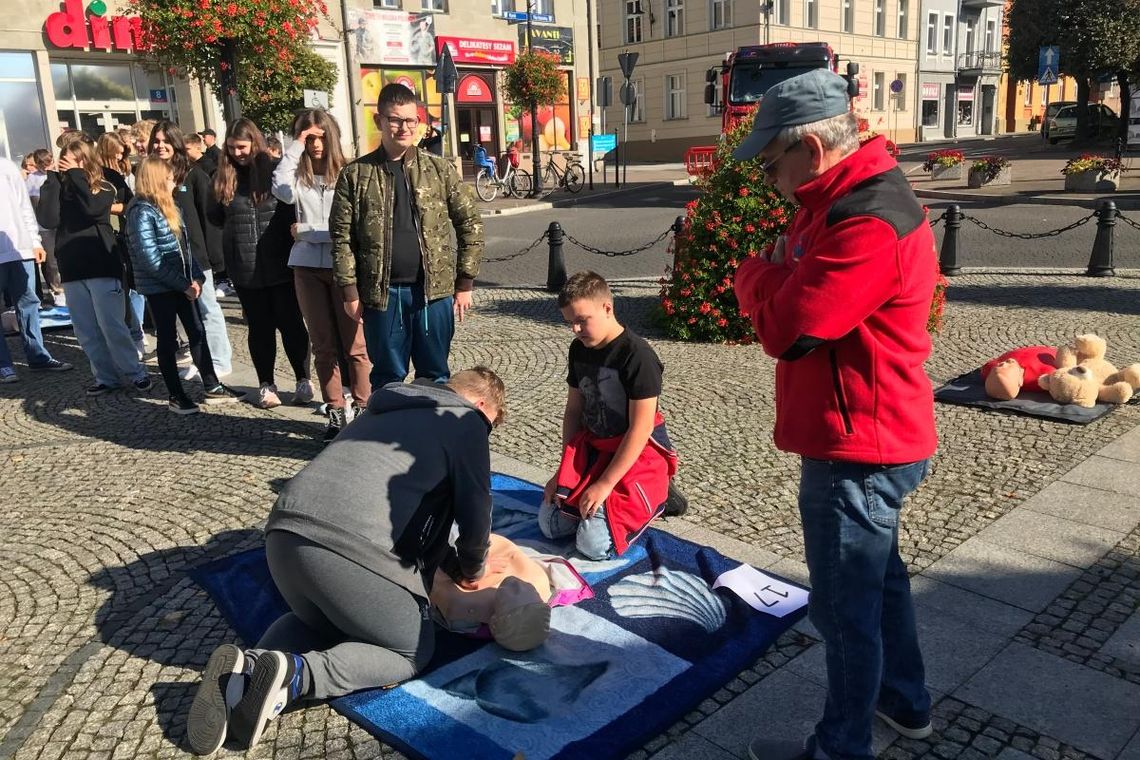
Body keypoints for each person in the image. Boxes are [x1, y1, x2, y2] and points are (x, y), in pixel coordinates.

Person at [731, 69, 938, 760]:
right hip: (867, 434)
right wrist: (784, 272)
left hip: (859, 448)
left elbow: (788, 330)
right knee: (879, 587)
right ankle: (905, 703)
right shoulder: (836, 197)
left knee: (845, 614)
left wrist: (752, 277)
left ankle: (839, 749)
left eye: (772, 161)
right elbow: (796, 285)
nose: (769, 178)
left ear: (812, 151)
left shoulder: (864, 217)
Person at [185, 367, 506, 755]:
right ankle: (296, 678)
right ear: (481, 404)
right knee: (409, 652)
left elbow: (418, 510)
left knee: (322, 622)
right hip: (351, 550)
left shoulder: (387, 406)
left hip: (283, 537)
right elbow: (476, 512)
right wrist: (472, 568)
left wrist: (448, 560)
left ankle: (247, 670)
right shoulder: (466, 421)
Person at [330, 83, 484, 393]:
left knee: (436, 376)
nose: (404, 127)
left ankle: (427, 440)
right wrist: (349, 291)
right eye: (396, 119)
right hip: (383, 295)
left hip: (434, 293)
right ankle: (388, 438)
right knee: (387, 379)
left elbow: (470, 223)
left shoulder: (439, 170)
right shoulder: (355, 175)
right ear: (379, 121)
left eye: (411, 120)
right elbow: (342, 237)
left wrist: (465, 282)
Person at [540, 271, 680, 560]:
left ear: (607, 308)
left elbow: (640, 429)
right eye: (570, 322)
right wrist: (563, 471)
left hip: (636, 451)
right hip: (595, 448)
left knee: (593, 546)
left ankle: (660, 493)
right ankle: (601, 500)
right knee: (550, 525)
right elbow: (574, 411)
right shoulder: (578, 349)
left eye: (582, 320)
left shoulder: (638, 355)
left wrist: (605, 485)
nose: (575, 329)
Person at [272, 110, 371, 442]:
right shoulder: (297, 178)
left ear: (332, 136)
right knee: (323, 345)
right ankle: (334, 410)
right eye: (307, 138)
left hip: (345, 268)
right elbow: (280, 189)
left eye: (320, 136)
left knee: (355, 345)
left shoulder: (349, 172)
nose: (315, 144)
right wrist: (293, 146)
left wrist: (307, 231)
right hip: (307, 268)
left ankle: (363, 407)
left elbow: (351, 229)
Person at [124, 158, 244, 413]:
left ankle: (212, 386)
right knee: (167, 340)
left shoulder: (170, 206)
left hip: (182, 284)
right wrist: (183, 284)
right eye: (169, 178)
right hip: (160, 289)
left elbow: (186, 248)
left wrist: (197, 277)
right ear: (157, 179)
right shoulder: (141, 211)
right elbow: (150, 259)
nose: (174, 182)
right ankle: (175, 395)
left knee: (198, 333)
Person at [36, 134, 151, 394]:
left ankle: (135, 372)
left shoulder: (105, 183)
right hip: (71, 264)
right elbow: (48, 218)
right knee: (86, 329)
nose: (63, 166)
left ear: (83, 161)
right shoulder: (60, 184)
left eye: (69, 162)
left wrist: (76, 174)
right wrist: (54, 179)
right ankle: (105, 377)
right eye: (62, 162)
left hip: (101, 261)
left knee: (112, 324)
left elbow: (93, 209)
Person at [211, 118, 312, 409]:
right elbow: (215, 216)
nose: (237, 153)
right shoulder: (223, 177)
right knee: (260, 328)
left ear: (254, 144)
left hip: (280, 263)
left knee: (292, 324)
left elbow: (292, 207)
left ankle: (303, 378)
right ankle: (266, 383)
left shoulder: (274, 172)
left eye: (241, 147)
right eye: (231, 148)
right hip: (245, 267)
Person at [148, 120, 233, 378]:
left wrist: (213, 259)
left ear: (176, 143)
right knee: (185, 313)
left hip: (195, 255)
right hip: (167, 256)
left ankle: (220, 361)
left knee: (207, 308)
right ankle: (200, 359)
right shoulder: (151, 175)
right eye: (157, 141)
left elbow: (208, 217)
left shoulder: (194, 174)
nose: (161, 146)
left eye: (165, 141)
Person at [0, 157, 73, 382]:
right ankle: (3, 364)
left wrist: (35, 240)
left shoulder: (6, 166)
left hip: (20, 248)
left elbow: (24, 206)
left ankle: (38, 355)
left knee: (28, 302)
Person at [95, 132, 146, 358]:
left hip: (121, 233)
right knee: (122, 290)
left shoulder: (114, 175)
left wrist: (102, 207)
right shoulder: (97, 174)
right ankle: (131, 334)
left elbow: (128, 203)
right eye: (118, 151)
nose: (121, 154)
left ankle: (137, 333)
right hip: (107, 237)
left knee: (131, 288)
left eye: (123, 151)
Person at [25, 149, 64, 302]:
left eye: (50, 163)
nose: (47, 167)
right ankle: (57, 289)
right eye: (43, 164)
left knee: (62, 256)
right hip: (43, 226)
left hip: (60, 223)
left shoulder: (58, 175)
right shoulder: (31, 180)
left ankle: (65, 286)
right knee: (51, 261)